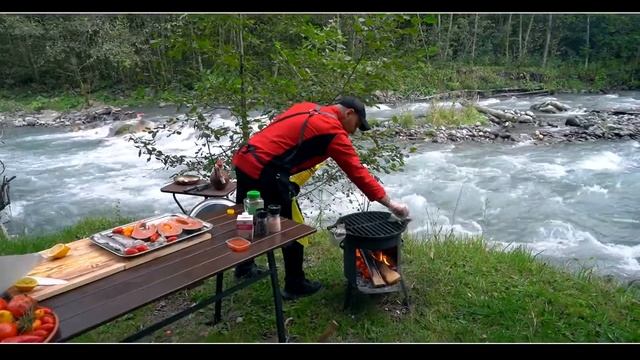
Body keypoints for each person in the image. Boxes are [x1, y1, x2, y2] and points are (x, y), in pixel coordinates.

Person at [231, 96, 410, 300]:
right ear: (348, 113)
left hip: (245, 159)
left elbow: (279, 138)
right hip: (267, 170)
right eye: (356, 125)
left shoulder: (306, 107)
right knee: (290, 227)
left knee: (247, 216)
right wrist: (390, 203)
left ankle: (243, 267)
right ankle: (295, 283)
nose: (353, 131)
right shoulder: (332, 131)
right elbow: (358, 172)